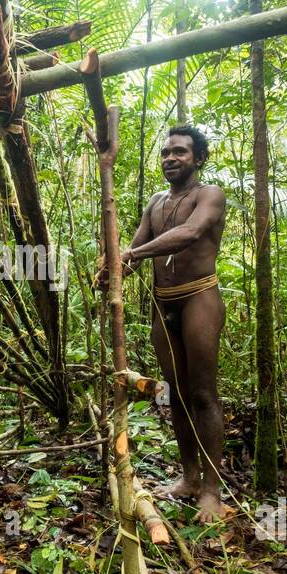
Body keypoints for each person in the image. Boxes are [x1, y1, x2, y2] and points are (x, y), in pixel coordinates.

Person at [119, 124, 227, 522]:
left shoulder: (209, 195)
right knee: (176, 394)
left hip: (199, 297)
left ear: (198, 158)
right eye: (166, 153)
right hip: (164, 305)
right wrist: (115, 267)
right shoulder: (155, 202)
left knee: (202, 394)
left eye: (180, 152)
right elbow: (134, 246)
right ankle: (189, 477)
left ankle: (212, 491)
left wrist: (131, 255)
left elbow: (190, 233)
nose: (170, 159)